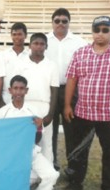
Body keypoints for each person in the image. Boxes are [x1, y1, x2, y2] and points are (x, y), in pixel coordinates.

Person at [63, 16, 110, 190]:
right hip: (83, 112)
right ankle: (75, 183)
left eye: (105, 30)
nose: (100, 34)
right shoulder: (80, 53)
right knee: (79, 150)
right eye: (97, 30)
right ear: (92, 31)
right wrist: (68, 105)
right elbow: (71, 79)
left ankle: (109, 188)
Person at [0, 75, 59, 190]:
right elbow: (0, 138)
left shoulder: (33, 110)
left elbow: (38, 137)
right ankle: (19, 188)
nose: (18, 92)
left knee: (52, 174)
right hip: (11, 155)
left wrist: (38, 125)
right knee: (12, 182)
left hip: (31, 152)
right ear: (10, 90)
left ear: (26, 91)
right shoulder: (3, 112)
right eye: (15, 88)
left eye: (21, 89)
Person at [46, 8, 88, 170]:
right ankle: (52, 165)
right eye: (57, 21)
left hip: (72, 91)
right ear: (52, 22)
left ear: (69, 23)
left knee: (73, 131)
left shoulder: (80, 43)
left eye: (64, 21)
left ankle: (73, 166)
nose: (61, 24)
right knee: (50, 131)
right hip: (50, 91)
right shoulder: (44, 41)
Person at [14, 33, 59, 163]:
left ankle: (48, 178)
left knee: (46, 143)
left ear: (46, 46)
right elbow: (16, 87)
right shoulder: (21, 64)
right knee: (25, 142)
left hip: (44, 106)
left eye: (42, 44)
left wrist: (50, 114)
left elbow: (54, 90)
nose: (38, 47)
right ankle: (27, 175)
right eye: (35, 43)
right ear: (30, 45)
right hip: (25, 106)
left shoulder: (52, 65)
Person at [1, 22, 29, 105]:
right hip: (6, 98)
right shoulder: (3, 55)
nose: (17, 37)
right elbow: (0, 78)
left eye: (20, 34)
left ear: (25, 36)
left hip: (25, 99)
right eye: (14, 34)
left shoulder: (30, 56)